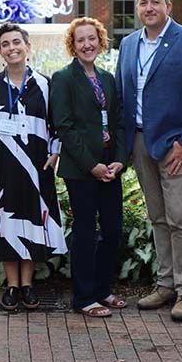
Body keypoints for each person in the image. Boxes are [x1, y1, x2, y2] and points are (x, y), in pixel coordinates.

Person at [116, 0, 182, 320]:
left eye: (156, 2)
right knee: (157, 217)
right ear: (137, 8)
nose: (149, 8)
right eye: (143, 3)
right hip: (140, 143)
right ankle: (166, 283)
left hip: (174, 146)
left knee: (180, 219)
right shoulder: (128, 45)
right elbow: (122, 97)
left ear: (168, 6)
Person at [0, 22, 66, 311]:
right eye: (6, 44)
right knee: (7, 221)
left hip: (38, 166)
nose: (12, 48)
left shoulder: (46, 84)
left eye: (17, 42)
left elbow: (58, 123)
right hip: (3, 168)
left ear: (28, 47)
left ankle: (27, 284)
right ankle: (11, 285)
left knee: (32, 220)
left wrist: (55, 152)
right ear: (0, 51)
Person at [51, 17, 128, 318]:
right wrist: (91, 165)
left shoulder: (107, 78)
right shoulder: (64, 78)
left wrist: (119, 160)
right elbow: (64, 127)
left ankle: (102, 289)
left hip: (110, 164)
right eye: (81, 39)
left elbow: (118, 121)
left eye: (92, 38)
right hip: (81, 168)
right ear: (73, 44)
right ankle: (83, 298)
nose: (87, 44)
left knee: (112, 229)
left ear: (100, 40)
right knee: (85, 230)